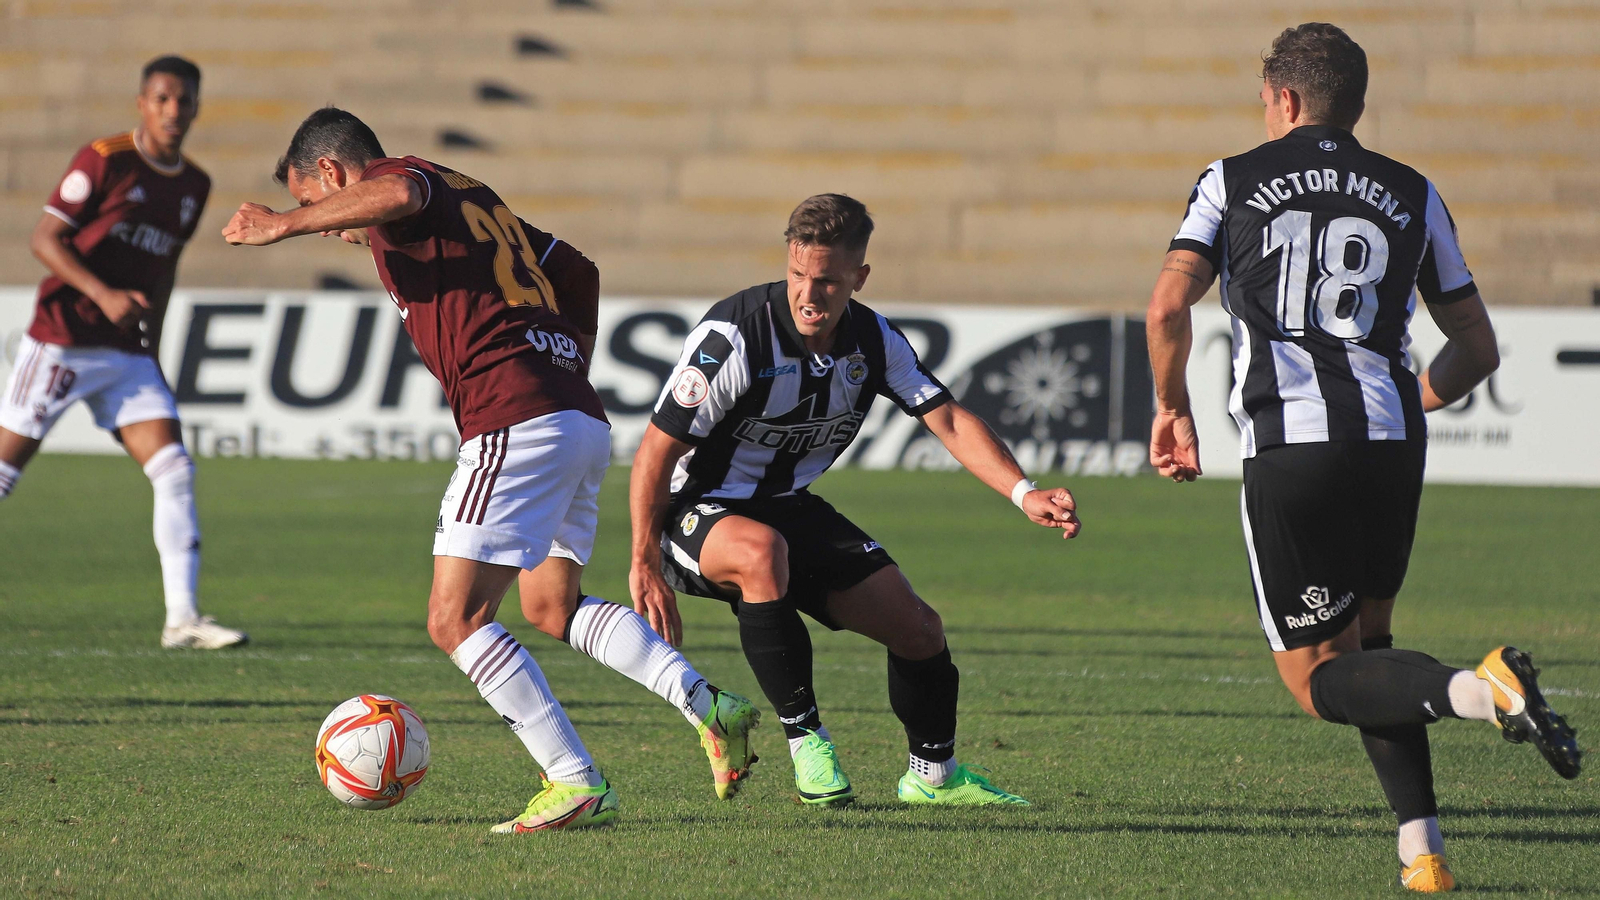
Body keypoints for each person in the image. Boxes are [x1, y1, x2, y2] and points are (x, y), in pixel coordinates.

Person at [221, 107, 759, 832]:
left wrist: (282, 223)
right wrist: (565, 359)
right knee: (550, 607)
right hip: (574, 416)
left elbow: (398, 192)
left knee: (454, 617)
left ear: (333, 172)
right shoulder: (470, 196)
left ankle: (575, 780)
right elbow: (577, 270)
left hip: (513, 418)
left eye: (319, 206)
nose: (330, 226)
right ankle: (709, 705)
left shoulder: (402, 184)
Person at [1145, 23, 1581, 892]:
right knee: (1373, 646)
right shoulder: (1412, 190)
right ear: (1357, 104)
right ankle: (1423, 851)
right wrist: (1412, 399)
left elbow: (1165, 307)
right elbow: (1476, 348)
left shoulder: (1230, 180)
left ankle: (1480, 690)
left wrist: (1171, 408)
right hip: (1391, 444)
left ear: (1284, 98)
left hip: (1293, 444)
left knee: (1318, 678)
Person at [629, 193, 1080, 807]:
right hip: (693, 510)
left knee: (919, 629)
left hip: (788, 503)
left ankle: (934, 779)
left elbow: (945, 417)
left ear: (859, 278)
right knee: (761, 554)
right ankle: (806, 741)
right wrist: (641, 559)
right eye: (798, 276)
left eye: (827, 282)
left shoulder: (873, 339)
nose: (808, 295)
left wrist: (1023, 492)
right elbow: (655, 452)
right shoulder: (734, 337)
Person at [0, 56, 245, 651]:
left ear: (196, 107)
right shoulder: (104, 159)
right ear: (142, 103)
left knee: (174, 469)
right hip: (62, 339)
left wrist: (152, 352)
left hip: (126, 353)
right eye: (162, 99)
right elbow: (44, 239)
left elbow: (162, 273)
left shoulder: (194, 185)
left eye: (184, 100)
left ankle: (182, 619)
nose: (173, 111)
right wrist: (102, 293)